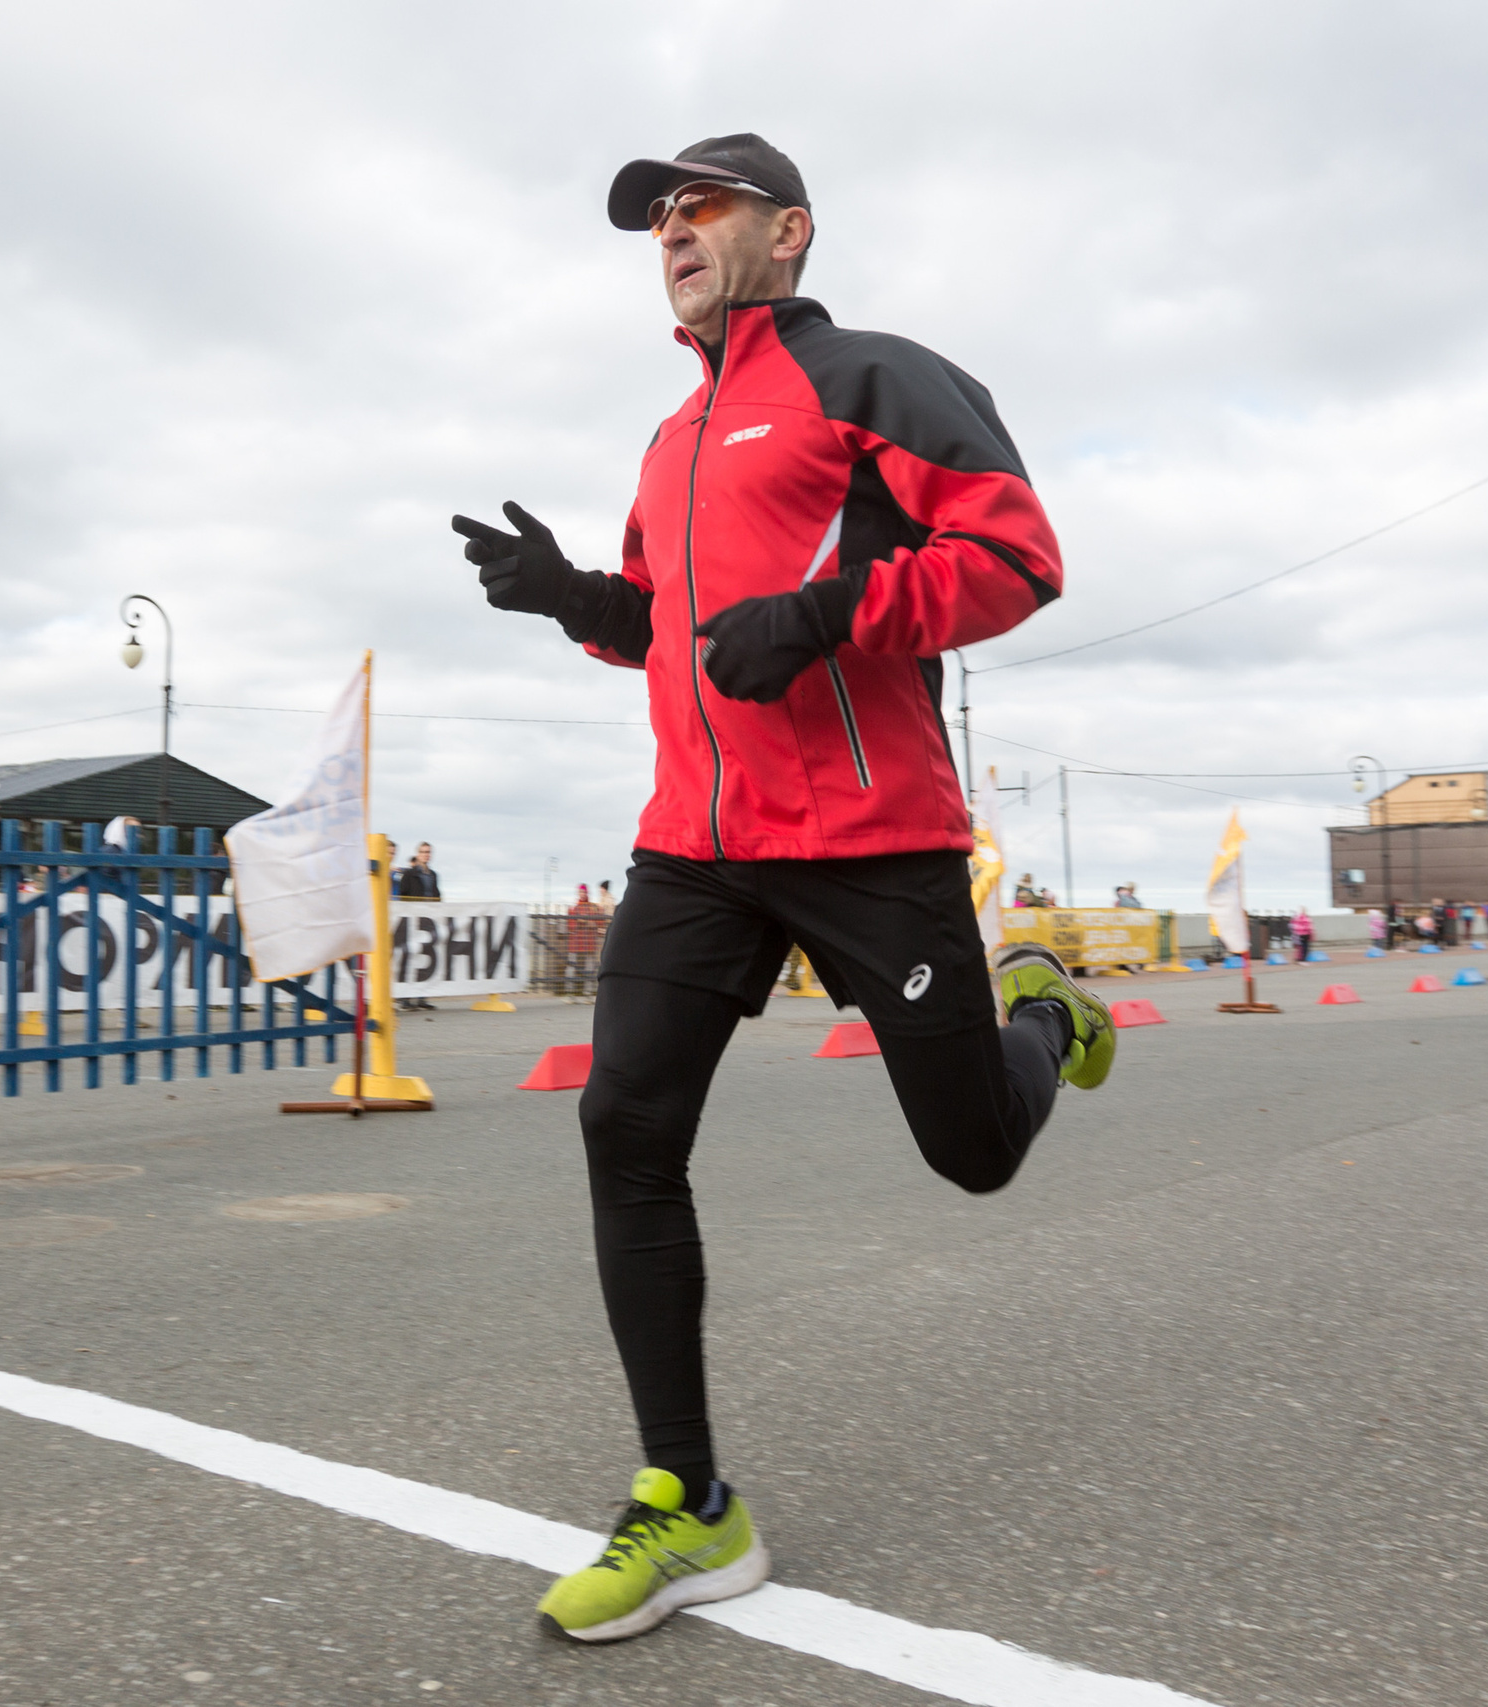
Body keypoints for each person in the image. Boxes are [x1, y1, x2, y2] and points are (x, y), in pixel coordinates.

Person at [450, 132, 1115, 1644]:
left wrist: (827, 615)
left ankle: (1039, 1004)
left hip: (874, 837)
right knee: (622, 1122)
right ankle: (687, 1500)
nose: (670, 234)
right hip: (699, 842)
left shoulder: (873, 379)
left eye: (701, 207)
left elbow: (1017, 559)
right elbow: (668, 631)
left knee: (974, 1154)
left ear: (789, 232)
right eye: (655, 219)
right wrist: (574, 599)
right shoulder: (670, 441)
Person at [393, 843, 442, 1010]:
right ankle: (404, 998)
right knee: (409, 957)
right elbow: (403, 895)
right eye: (423, 852)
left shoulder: (433, 875)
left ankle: (421, 997)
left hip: (428, 920)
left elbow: (437, 895)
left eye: (428, 852)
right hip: (412, 920)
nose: (426, 855)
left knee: (425, 958)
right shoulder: (409, 874)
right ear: (417, 854)